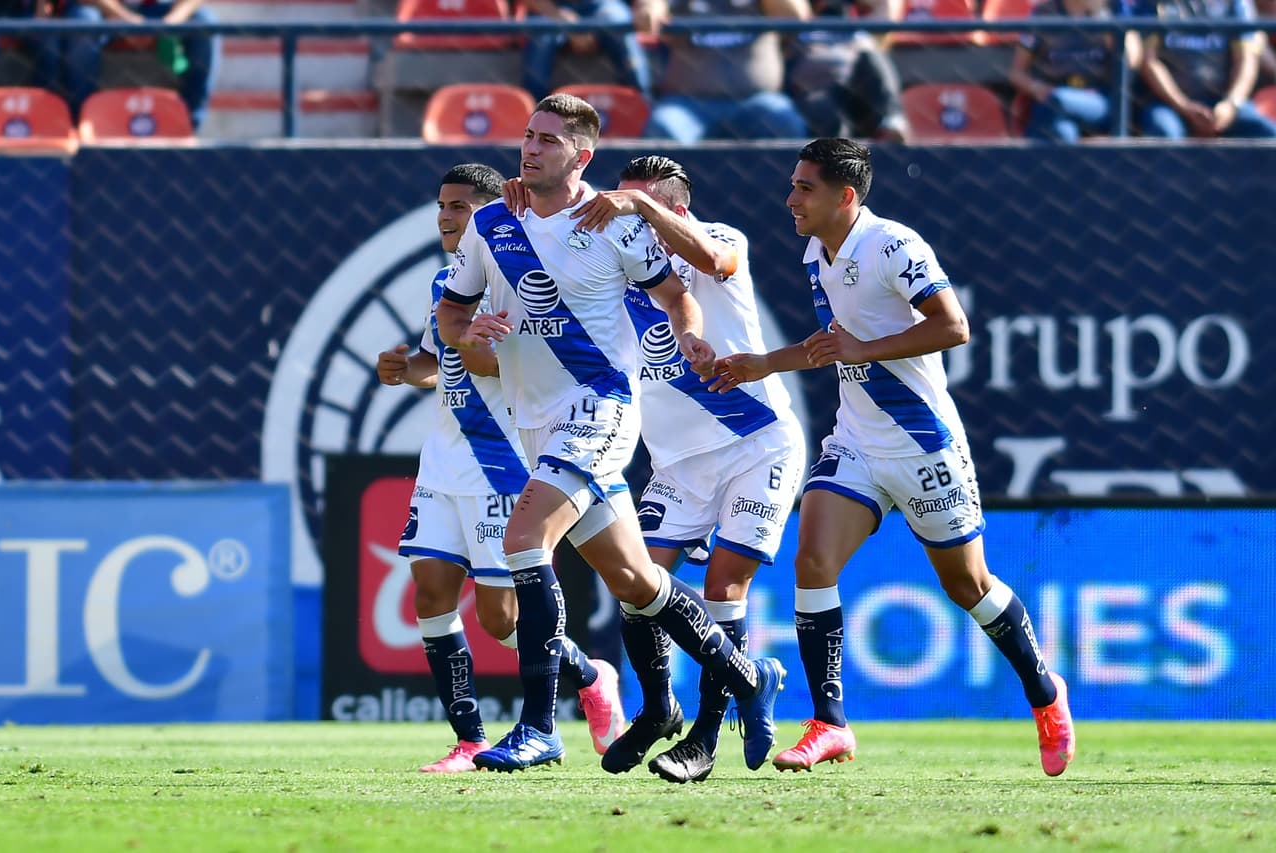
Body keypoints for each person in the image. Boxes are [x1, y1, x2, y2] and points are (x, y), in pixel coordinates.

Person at [436, 93, 785, 773]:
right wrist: (466, 330)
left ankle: (539, 725)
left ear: (582, 156)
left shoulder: (613, 224)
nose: (530, 148)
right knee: (637, 580)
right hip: (535, 421)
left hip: (599, 409)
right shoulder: (490, 223)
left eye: (548, 140)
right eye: (528, 135)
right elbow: (452, 313)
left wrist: (688, 334)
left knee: (523, 539)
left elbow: (680, 293)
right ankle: (746, 674)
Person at [710, 138, 1076, 777]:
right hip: (855, 441)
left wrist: (864, 349)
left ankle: (1044, 692)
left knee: (968, 586)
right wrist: (762, 365)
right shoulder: (814, 252)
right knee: (813, 561)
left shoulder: (893, 245)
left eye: (804, 188)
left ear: (844, 196)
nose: (790, 198)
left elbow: (953, 327)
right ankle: (830, 722)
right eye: (793, 185)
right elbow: (835, 345)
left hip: (923, 443)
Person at [544, 155, 807, 784]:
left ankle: (704, 742)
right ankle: (662, 705)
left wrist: (638, 206)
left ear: (675, 210)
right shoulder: (613, 266)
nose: (621, 218)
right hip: (676, 467)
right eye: (619, 205)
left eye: (635, 208)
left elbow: (717, 265)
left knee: (722, 590)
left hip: (757, 445)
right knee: (639, 586)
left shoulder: (717, 240)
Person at [376, 162, 625, 773]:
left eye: (460, 208)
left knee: (499, 620)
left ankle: (593, 678)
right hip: (442, 461)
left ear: (491, 216)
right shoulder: (448, 285)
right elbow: (437, 365)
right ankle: (468, 739)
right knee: (430, 590)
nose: (446, 217)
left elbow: (499, 368)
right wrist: (403, 368)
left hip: (503, 462)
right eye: (442, 206)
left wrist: (471, 344)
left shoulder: (519, 281)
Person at [635, 0, 811, 141]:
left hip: (756, 101)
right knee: (664, 127)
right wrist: (650, 8)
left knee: (785, 122)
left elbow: (795, 15)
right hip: (689, 105)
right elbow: (649, 12)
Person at [61, 0, 220, 128]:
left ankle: (190, 122)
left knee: (205, 21)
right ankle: (81, 120)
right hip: (106, 9)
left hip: (160, 10)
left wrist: (173, 21)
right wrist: (125, 19)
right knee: (83, 22)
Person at [1134, 0, 1276, 138]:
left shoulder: (1235, 3)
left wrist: (1231, 104)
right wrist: (1184, 106)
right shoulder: (1155, 3)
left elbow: (1246, 60)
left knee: (1268, 133)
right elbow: (1149, 61)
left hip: (1223, 100)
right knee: (1163, 131)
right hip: (1170, 103)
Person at [1007, 0, 1140, 142]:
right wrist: (1037, 88)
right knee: (1060, 131)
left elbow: (1131, 60)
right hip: (1053, 94)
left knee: (1058, 101)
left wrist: (1100, 17)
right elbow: (1016, 73)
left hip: (1099, 98)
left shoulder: (1115, 8)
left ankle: (1025, 159)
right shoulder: (1043, 13)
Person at [785, 0, 911, 142]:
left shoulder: (861, 34)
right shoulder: (798, 26)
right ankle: (840, 157)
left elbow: (887, 12)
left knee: (872, 56)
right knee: (825, 109)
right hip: (815, 92)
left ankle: (892, 122)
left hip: (856, 91)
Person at [522, 0, 653, 101]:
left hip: (603, 5)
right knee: (542, 35)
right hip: (554, 8)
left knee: (617, 21)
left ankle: (642, 100)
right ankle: (535, 111)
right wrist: (557, 15)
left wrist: (648, 7)